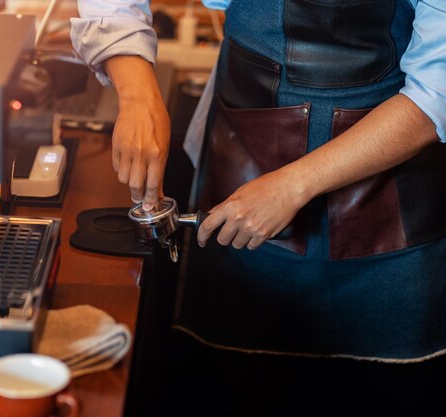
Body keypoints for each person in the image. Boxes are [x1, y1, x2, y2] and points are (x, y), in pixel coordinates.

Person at [71, 0, 446, 414]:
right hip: (243, 151)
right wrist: (138, 95)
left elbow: (437, 92)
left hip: (390, 216)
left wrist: (293, 186)